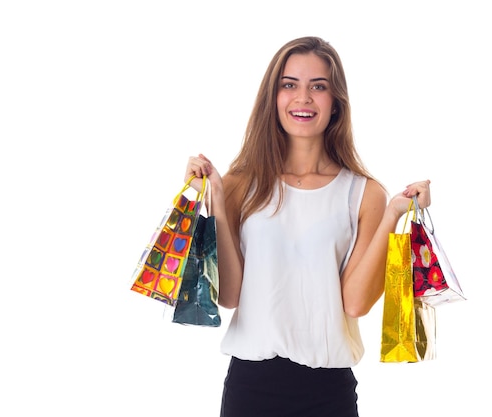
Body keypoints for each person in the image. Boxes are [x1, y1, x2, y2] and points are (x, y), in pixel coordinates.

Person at [184, 36, 431, 417]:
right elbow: (230, 295)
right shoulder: (238, 185)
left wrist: (392, 215)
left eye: (319, 86)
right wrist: (215, 196)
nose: (303, 98)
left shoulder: (364, 194)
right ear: (274, 97)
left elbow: (356, 303)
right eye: (289, 85)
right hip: (250, 387)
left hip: (328, 390)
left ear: (336, 103)